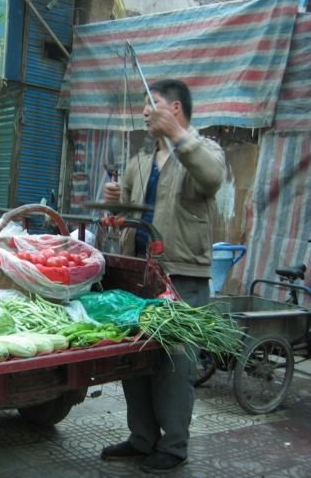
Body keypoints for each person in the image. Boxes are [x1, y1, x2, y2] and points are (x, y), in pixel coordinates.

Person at [100, 79, 226, 474]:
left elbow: (212, 177)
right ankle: (142, 439)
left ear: (175, 109)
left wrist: (177, 134)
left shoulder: (205, 151)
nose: (144, 113)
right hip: (138, 274)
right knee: (134, 359)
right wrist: (115, 202)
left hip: (181, 275)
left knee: (174, 365)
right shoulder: (140, 160)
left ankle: (173, 447)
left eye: (152, 105)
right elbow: (133, 211)